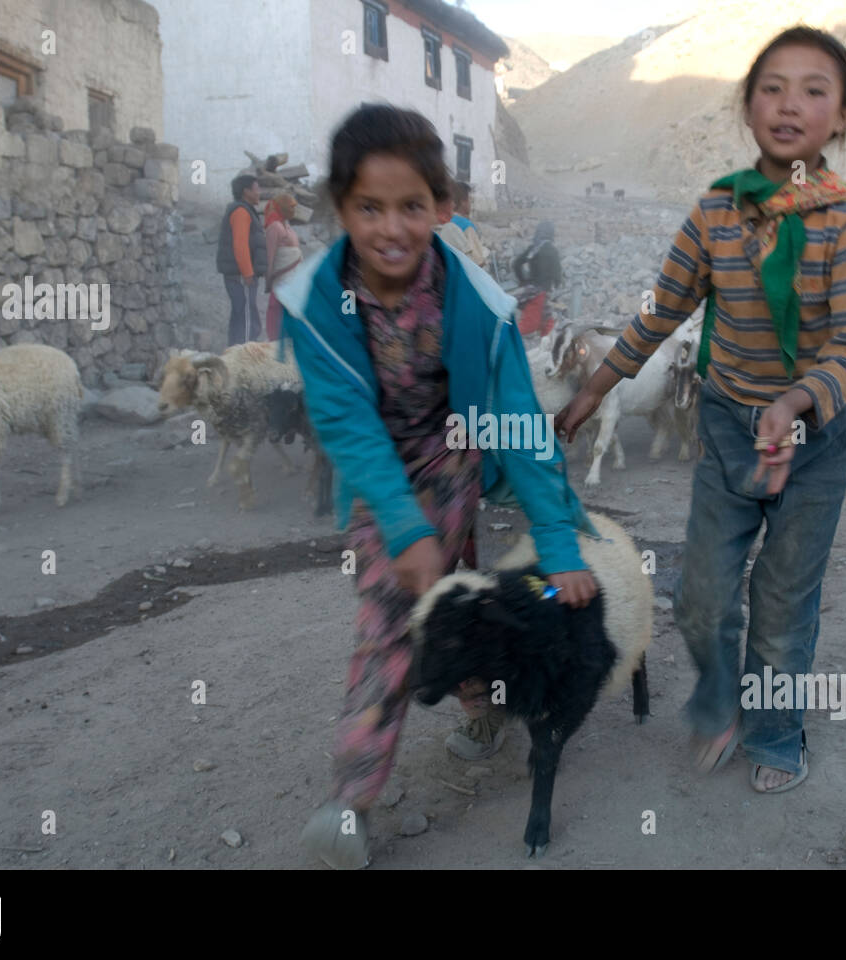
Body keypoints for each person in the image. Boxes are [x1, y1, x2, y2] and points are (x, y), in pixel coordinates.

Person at [557, 26, 846, 795]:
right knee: (700, 597)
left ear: (841, 117)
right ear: (746, 106)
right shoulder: (714, 213)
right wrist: (594, 390)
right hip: (731, 428)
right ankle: (717, 700)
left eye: (814, 89)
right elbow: (661, 313)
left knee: (779, 601)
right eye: (772, 87)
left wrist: (797, 400)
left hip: (817, 440)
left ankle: (775, 731)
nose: (790, 104)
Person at [279, 104, 598, 869]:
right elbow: (348, 424)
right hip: (379, 474)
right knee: (389, 627)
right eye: (368, 208)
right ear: (341, 208)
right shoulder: (314, 305)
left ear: (443, 207)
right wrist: (401, 523)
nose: (391, 227)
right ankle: (351, 803)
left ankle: (481, 711)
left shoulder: (482, 306)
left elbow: (519, 424)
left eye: (411, 206)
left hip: (456, 466)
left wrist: (556, 541)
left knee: (458, 600)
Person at [216, 174, 267, 344]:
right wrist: (247, 274)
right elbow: (240, 245)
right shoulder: (241, 212)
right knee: (247, 319)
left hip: (242, 275)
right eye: (256, 188)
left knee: (241, 314)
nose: (259, 192)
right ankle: (244, 359)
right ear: (246, 192)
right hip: (241, 276)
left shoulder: (246, 211)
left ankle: (233, 359)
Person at [511, 220, 561, 336]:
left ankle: (548, 348)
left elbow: (517, 264)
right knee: (530, 324)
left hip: (531, 289)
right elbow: (557, 273)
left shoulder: (533, 248)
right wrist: (556, 286)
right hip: (541, 292)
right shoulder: (552, 250)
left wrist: (523, 281)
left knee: (547, 321)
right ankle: (507, 338)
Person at [263, 193, 302, 341]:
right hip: (281, 281)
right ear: (282, 208)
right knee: (277, 314)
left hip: (293, 280)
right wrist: (269, 282)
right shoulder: (274, 228)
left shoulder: (288, 227)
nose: (294, 210)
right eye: (291, 207)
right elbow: (270, 257)